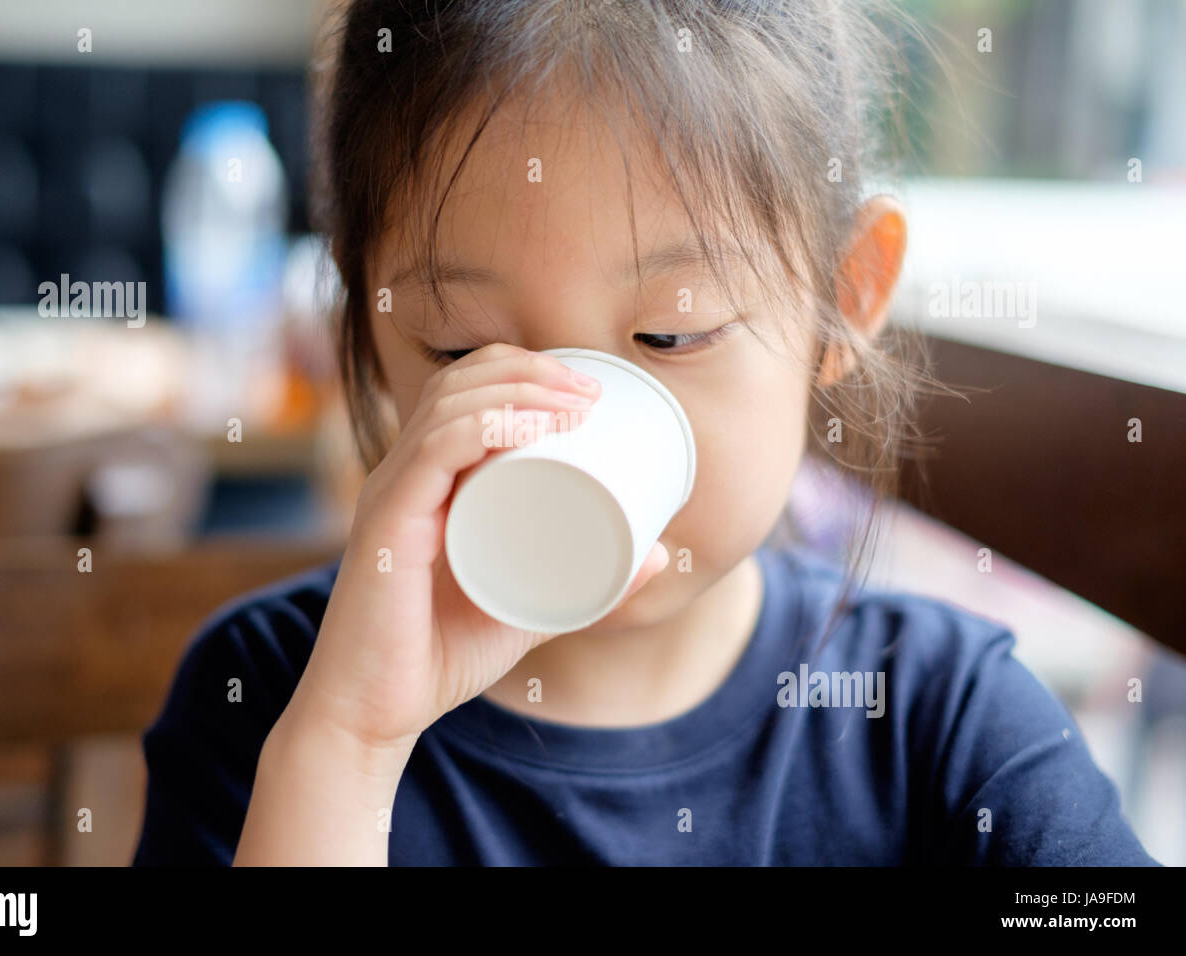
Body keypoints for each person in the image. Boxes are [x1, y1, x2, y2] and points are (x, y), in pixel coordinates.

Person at [132, 0, 1160, 866]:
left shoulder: (942, 723)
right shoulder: (274, 698)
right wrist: (348, 745)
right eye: (460, 348)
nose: (565, 430)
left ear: (842, 297)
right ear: (363, 319)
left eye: (671, 333)